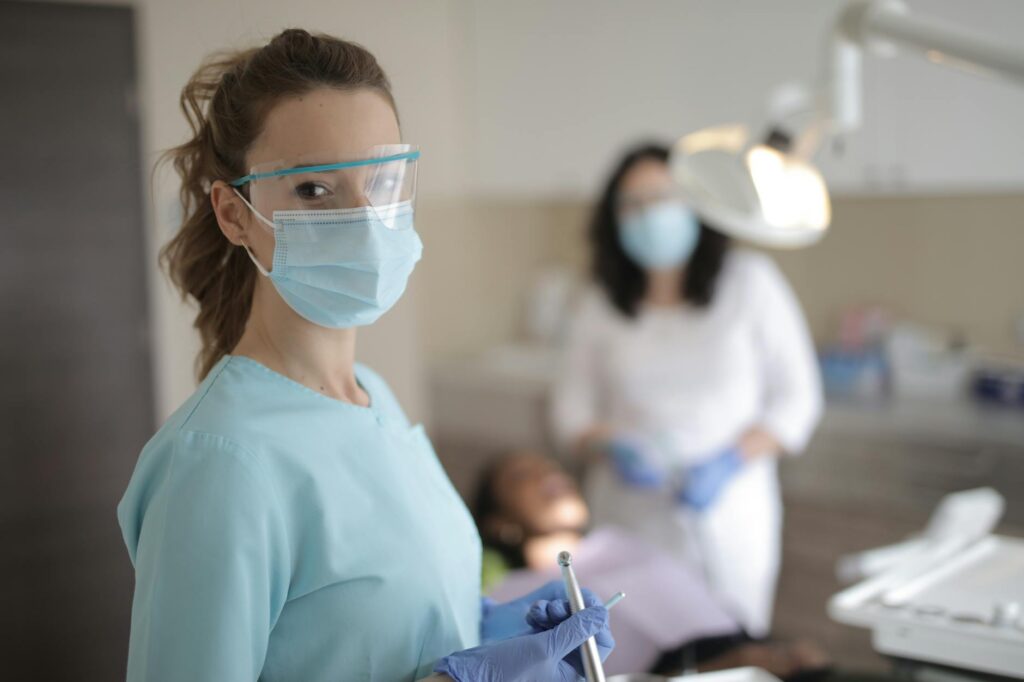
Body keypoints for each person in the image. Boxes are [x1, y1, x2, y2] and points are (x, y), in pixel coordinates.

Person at [117, 29, 612, 682]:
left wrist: (489, 623)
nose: (364, 219)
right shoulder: (217, 463)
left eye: (382, 181)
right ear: (234, 215)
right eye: (314, 191)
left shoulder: (373, 396)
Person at [552, 142, 823, 637]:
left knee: (728, 648)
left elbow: (798, 399)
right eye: (632, 203)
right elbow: (570, 409)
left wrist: (730, 461)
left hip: (729, 516)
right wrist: (606, 444)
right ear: (613, 219)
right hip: (627, 516)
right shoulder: (598, 302)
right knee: (631, 646)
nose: (648, 214)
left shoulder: (751, 284)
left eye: (662, 196)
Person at [475, 450, 832, 679]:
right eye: (522, 476)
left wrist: (776, 649)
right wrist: (722, 668)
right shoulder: (513, 594)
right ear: (498, 524)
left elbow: (706, 610)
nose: (547, 475)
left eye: (549, 466)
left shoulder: (618, 541)